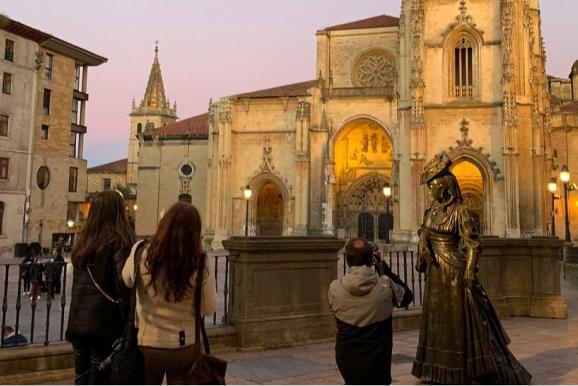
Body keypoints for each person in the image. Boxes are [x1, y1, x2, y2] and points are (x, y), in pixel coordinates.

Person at [412, 152, 531, 384]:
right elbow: (424, 230)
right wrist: (423, 241)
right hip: (436, 273)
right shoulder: (432, 211)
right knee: (438, 322)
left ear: (445, 188)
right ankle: (438, 369)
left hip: (455, 272)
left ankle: (465, 369)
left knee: (461, 324)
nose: (430, 191)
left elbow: (473, 244)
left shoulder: (461, 212)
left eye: (433, 187)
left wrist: (468, 272)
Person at [122, 203, 218, 385]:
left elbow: (127, 280)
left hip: (147, 343)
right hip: (184, 346)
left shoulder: (140, 251)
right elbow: (209, 308)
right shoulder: (201, 261)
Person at [66, 191, 136, 385]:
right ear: (118, 212)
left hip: (79, 323)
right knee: (101, 378)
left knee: (82, 378)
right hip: (104, 324)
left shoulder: (82, 244)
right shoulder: (119, 243)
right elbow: (125, 283)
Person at [328, 238, 407, 385]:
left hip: (347, 363)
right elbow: (406, 297)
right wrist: (384, 269)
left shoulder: (334, 289)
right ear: (372, 260)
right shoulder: (386, 287)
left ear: (346, 260)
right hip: (378, 364)